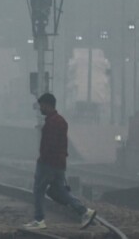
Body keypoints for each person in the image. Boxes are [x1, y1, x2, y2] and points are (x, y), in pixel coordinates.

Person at [23, 93, 96, 230]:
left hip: (47, 163)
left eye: (42, 106)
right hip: (59, 164)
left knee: (38, 190)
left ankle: (39, 220)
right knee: (61, 191)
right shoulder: (61, 121)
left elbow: (49, 145)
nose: (40, 109)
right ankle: (85, 211)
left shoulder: (52, 123)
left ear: (47, 105)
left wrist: (42, 159)